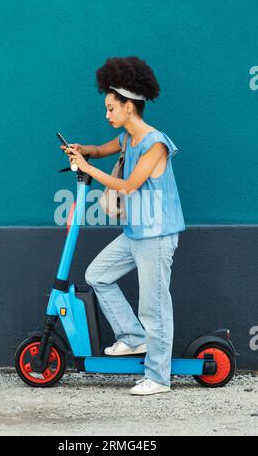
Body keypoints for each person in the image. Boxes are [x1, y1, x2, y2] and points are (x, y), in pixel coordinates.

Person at [60, 56, 186, 396]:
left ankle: (159, 377)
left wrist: (86, 166)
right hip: (135, 231)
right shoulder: (129, 138)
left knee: (155, 305)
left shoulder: (155, 143)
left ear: (129, 106)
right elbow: (102, 148)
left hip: (156, 234)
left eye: (111, 108)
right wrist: (82, 150)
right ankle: (132, 337)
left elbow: (128, 185)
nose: (107, 114)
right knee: (97, 274)